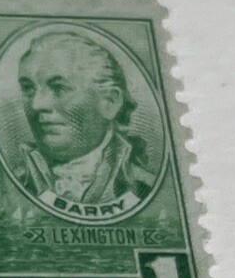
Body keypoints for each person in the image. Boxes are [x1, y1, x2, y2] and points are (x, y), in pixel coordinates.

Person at [12, 28, 156, 215]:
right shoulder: (12, 181)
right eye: (28, 88)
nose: (37, 104)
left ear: (109, 102)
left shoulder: (145, 186)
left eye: (59, 88)